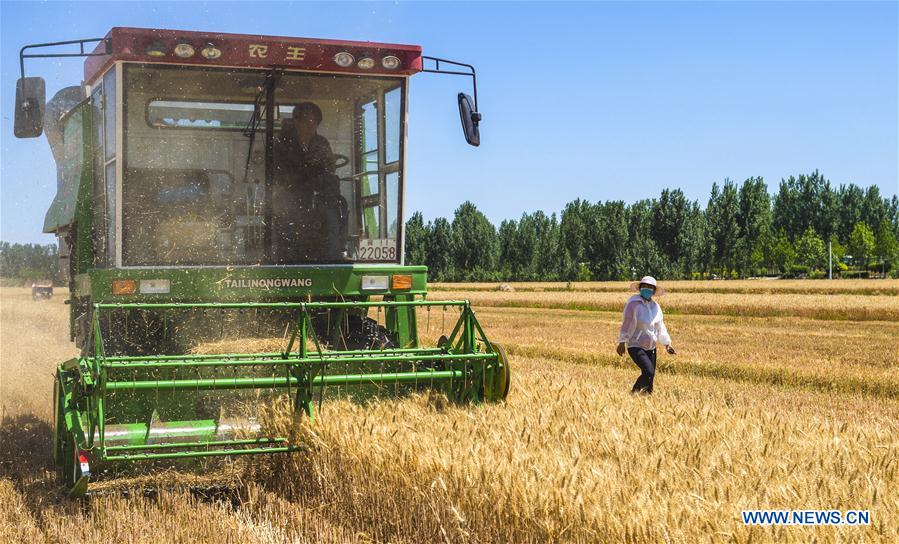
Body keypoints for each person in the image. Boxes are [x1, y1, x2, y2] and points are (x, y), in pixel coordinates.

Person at [272, 102, 341, 262]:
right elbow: (279, 174)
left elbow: (331, 168)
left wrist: (321, 162)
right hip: (291, 197)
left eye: (315, 122)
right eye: (307, 121)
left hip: (319, 198)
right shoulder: (283, 143)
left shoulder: (321, 143)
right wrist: (304, 165)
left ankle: (334, 256)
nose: (311, 126)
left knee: (338, 205)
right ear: (296, 122)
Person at [616, 276, 676, 394]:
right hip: (636, 345)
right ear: (640, 288)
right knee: (649, 372)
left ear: (653, 291)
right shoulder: (633, 304)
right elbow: (627, 323)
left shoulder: (656, 307)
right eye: (644, 286)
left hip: (651, 346)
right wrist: (622, 341)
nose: (647, 289)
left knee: (650, 379)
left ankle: (646, 399)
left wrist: (667, 344)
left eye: (650, 287)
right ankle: (633, 394)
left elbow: (660, 326)